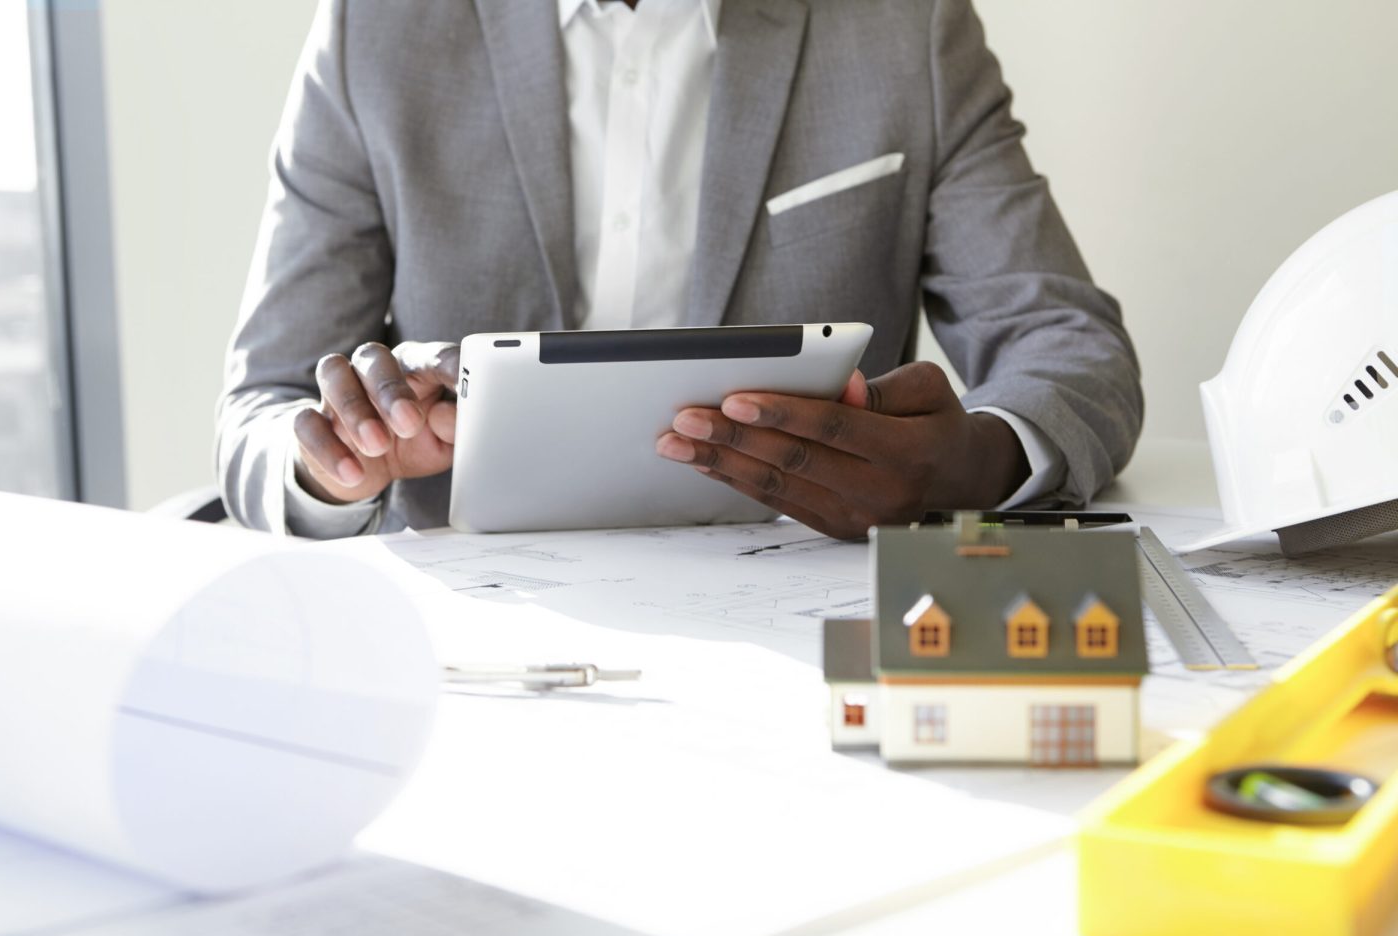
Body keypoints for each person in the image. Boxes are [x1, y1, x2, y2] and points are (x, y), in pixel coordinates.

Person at [216, 0, 1142, 540]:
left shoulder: (902, 28)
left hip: (795, 617)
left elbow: (1067, 343)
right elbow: (265, 403)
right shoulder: (374, 31)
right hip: (474, 645)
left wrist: (975, 461)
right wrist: (338, 466)